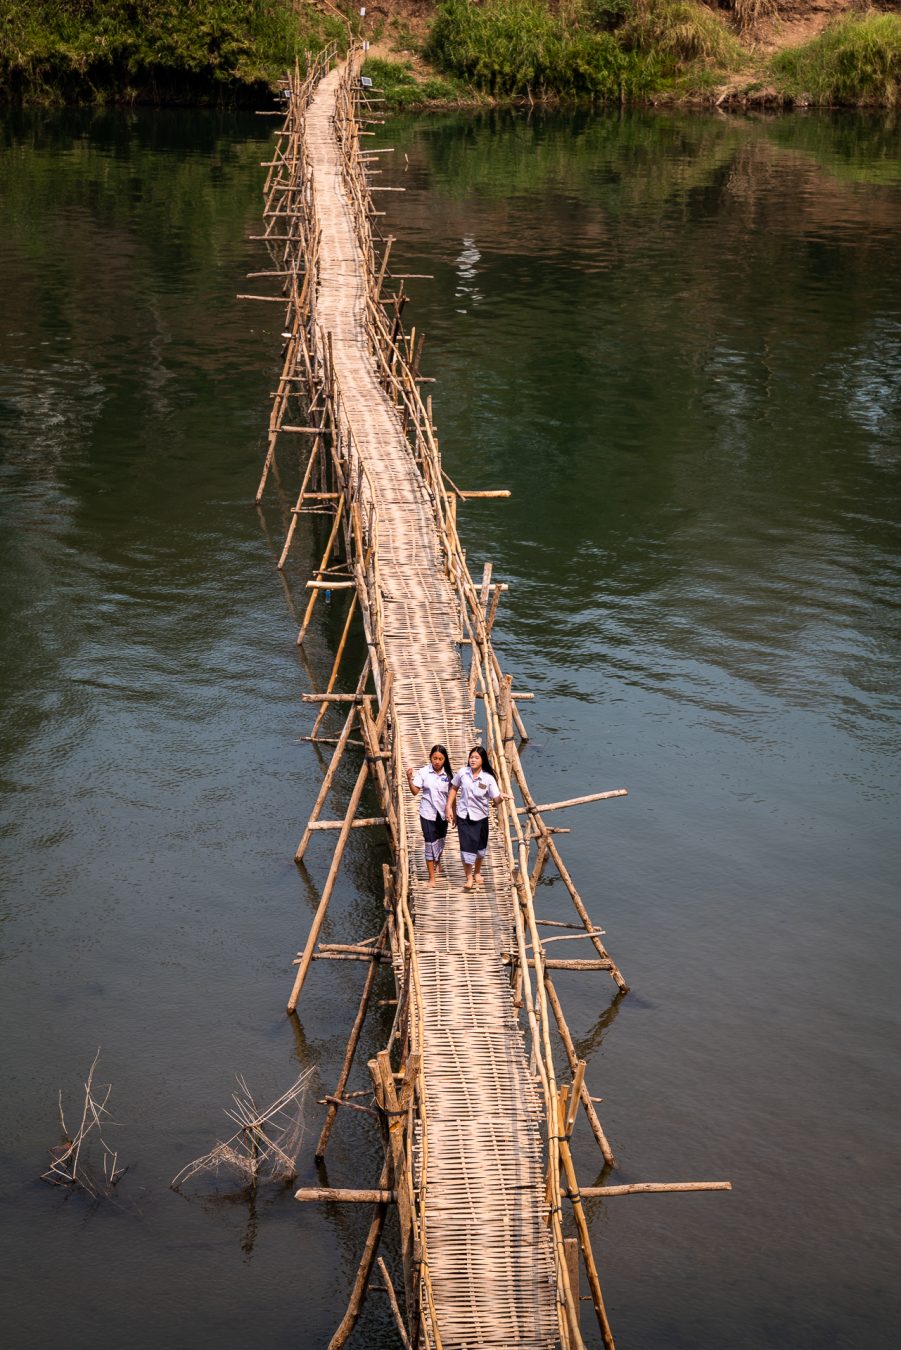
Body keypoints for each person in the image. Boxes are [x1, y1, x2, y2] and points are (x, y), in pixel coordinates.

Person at [446, 746, 510, 891]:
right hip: (464, 815)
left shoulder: (488, 778)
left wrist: (501, 797)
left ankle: (477, 872)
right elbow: (454, 788)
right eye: (471, 757)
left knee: (480, 848)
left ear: (483, 760)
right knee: (466, 847)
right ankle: (469, 877)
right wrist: (449, 806)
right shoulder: (463, 773)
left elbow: (495, 798)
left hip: (481, 817)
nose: (473, 760)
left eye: (476, 758)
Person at [406, 745, 454, 887]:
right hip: (427, 813)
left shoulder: (449, 775)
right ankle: (431, 878)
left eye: (440, 759)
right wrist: (409, 779)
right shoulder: (424, 772)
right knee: (429, 842)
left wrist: (453, 812)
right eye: (434, 758)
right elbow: (415, 792)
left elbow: (452, 795)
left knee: (440, 840)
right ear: (430, 758)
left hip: (442, 814)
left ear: (444, 760)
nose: (437, 761)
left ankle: (437, 862)